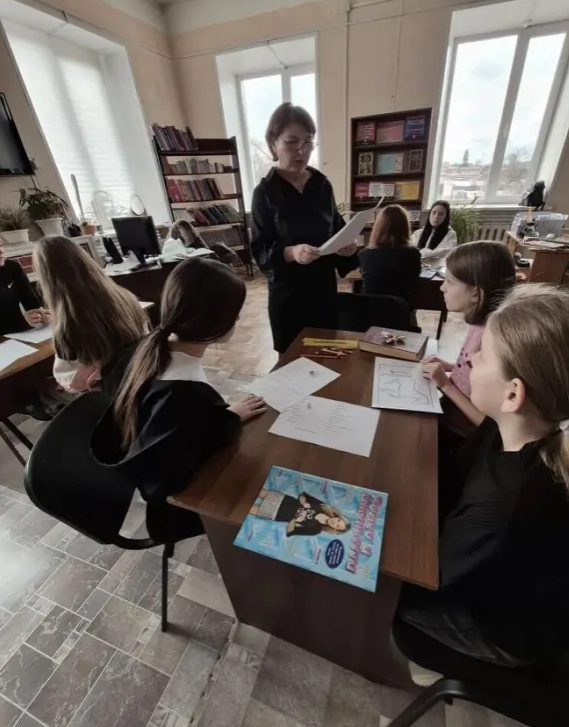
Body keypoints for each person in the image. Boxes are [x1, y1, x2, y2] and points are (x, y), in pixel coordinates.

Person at [398, 284, 569, 669]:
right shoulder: (515, 429)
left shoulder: (504, 505)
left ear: (513, 395)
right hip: (490, 579)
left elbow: (426, 574)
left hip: (498, 631)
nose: (471, 358)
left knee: (387, 595)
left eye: (484, 355)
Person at [97, 258, 266, 540]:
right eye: (235, 314)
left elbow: (182, 430)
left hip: (151, 468)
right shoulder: (185, 394)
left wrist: (225, 415)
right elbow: (178, 460)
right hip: (177, 508)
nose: (237, 320)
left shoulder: (147, 348)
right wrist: (228, 420)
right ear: (217, 320)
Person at [251, 102, 358, 354]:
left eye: (308, 142)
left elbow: (336, 228)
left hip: (323, 291)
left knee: (327, 356)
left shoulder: (322, 184)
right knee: (292, 361)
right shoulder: (264, 193)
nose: (302, 150)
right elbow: (260, 250)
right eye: (292, 142)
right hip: (288, 297)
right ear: (273, 143)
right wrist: (292, 252)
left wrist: (347, 246)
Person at [422, 241, 515, 446]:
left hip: (463, 438)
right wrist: (451, 367)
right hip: (448, 415)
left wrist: (445, 385)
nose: (442, 287)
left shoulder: (494, 340)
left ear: (476, 293)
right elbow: (472, 373)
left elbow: (489, 426)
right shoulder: (479, 322)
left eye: (449, 281)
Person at [33, 235, 148, 393]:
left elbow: (72, 383)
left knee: (46, 388)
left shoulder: (68, 325)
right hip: (140, 376)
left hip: (113, 391)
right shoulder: (125, 296)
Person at [358, 204, 421, 304]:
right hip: (399, 309)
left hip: (369, 309)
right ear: (405, 227)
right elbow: (414, 282)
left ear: (378, 228)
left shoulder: (364, 254)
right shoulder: (413, 253)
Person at [250, 488, 351, 537]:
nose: (335, 522)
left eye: (337, 526)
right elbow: (303, 495)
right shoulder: (322, 506)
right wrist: (304, 502)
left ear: (334, 529)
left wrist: (294, 520)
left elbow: (290, 532)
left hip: (277, 513)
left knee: (245, 506)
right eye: (338, 520)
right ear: (337, 516)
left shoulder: (315, 530)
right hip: (284, 500)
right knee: (253, 489)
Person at [0, 239, 49, 335]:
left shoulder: (13, 267)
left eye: (0, 245)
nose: (2, 251)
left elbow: (31, 303)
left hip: (22, 334)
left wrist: (42, 314)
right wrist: (23, 321)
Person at [411, 200, 456, 268]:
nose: (436, 216)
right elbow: (409, 250)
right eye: (434, 212)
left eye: (441, 214)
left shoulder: (450, 234)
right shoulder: (418, 233)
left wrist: (421, 253)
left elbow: (444, 252)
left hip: (437, 270)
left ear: (446, 217)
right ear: (429, 214)